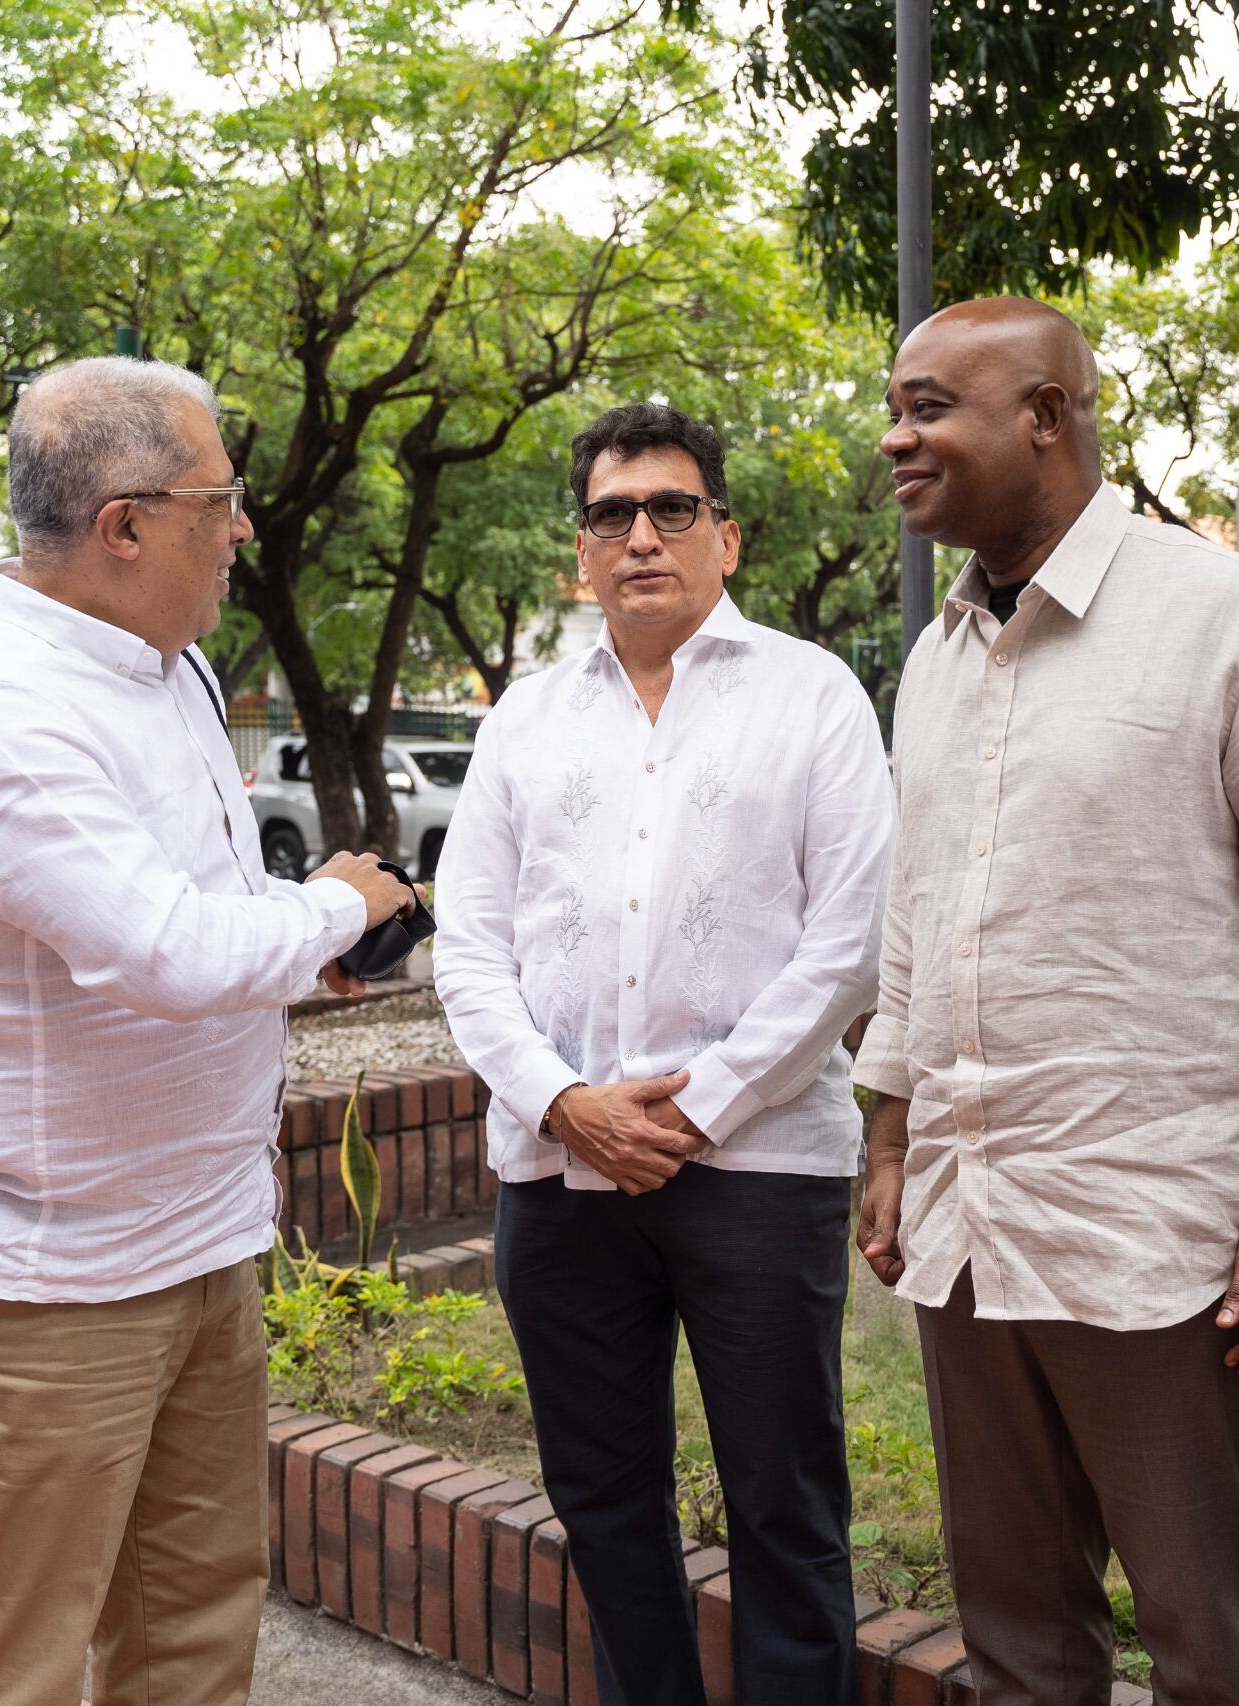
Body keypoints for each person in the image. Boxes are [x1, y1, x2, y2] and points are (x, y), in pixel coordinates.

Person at [852, 299, 1239, 1706]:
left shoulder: (1229, 623)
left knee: (1209, 1653)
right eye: (894, 408)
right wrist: (891, 1139)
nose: (895, 438)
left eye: (928, 406)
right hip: (970, 1227)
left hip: (1156, 1237)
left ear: (1047, 415)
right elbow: (916, 920)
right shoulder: (937, 657)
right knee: (1020, 1647)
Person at [0, 356, 417, 1706]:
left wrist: (301, 947)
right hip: (41, 1282)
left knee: (192, 1630)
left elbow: (203, 907)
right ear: (123, 522)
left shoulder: (164, 671)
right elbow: (162, 950)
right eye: (219, 499)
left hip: (197, 1241)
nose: (242, 528)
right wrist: (332, 908)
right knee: (9, 1664)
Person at [437, 400, 892, 1706]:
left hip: (758, 1172)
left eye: (672, 508)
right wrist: (564, 1101)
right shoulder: (525, 717)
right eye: (611, 513)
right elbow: (468, 944)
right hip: (557, 1171)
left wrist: (697, 1112)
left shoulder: (813, 696)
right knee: (605, 1503)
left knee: (785, 1504)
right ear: (578, 552)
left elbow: (850, 941)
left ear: (727, 536)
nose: (642, 534)